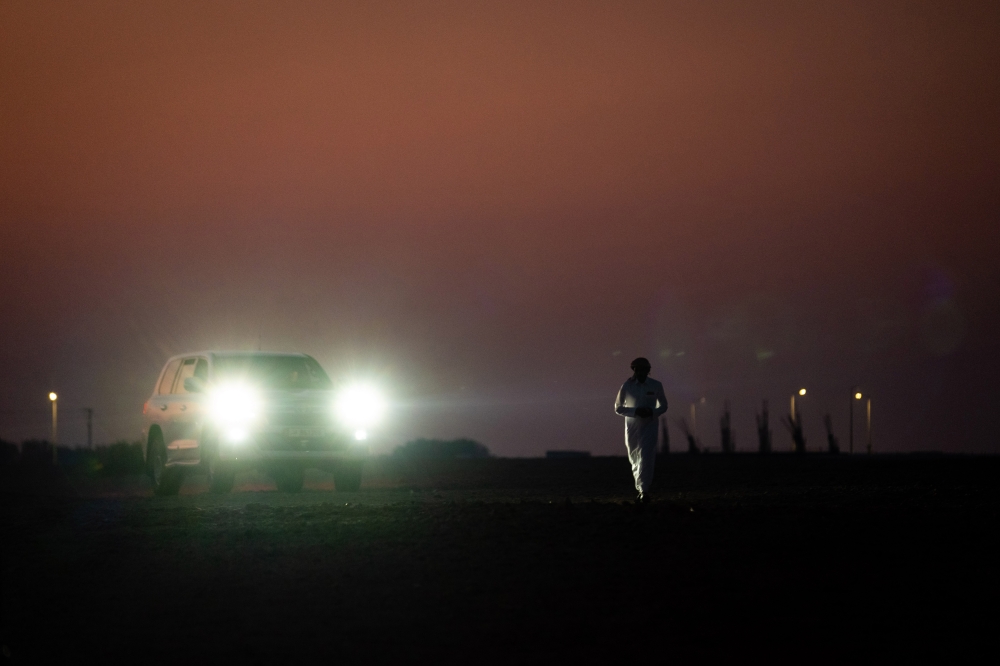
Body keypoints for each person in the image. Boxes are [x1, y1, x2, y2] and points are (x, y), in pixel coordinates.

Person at [614, 357, 668, 504]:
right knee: (634, 458)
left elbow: (663, 406)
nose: (641, 372)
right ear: (634, 370)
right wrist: (636, 411)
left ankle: (644, 491)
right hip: (632, 428)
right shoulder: (627, 386)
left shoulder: (656, 385)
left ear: (648, 371)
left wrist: (651, 412)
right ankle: (640, 488)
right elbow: (618, 408)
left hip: (650, 426)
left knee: (646, 456)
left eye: (644, 369)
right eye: (638, 369)